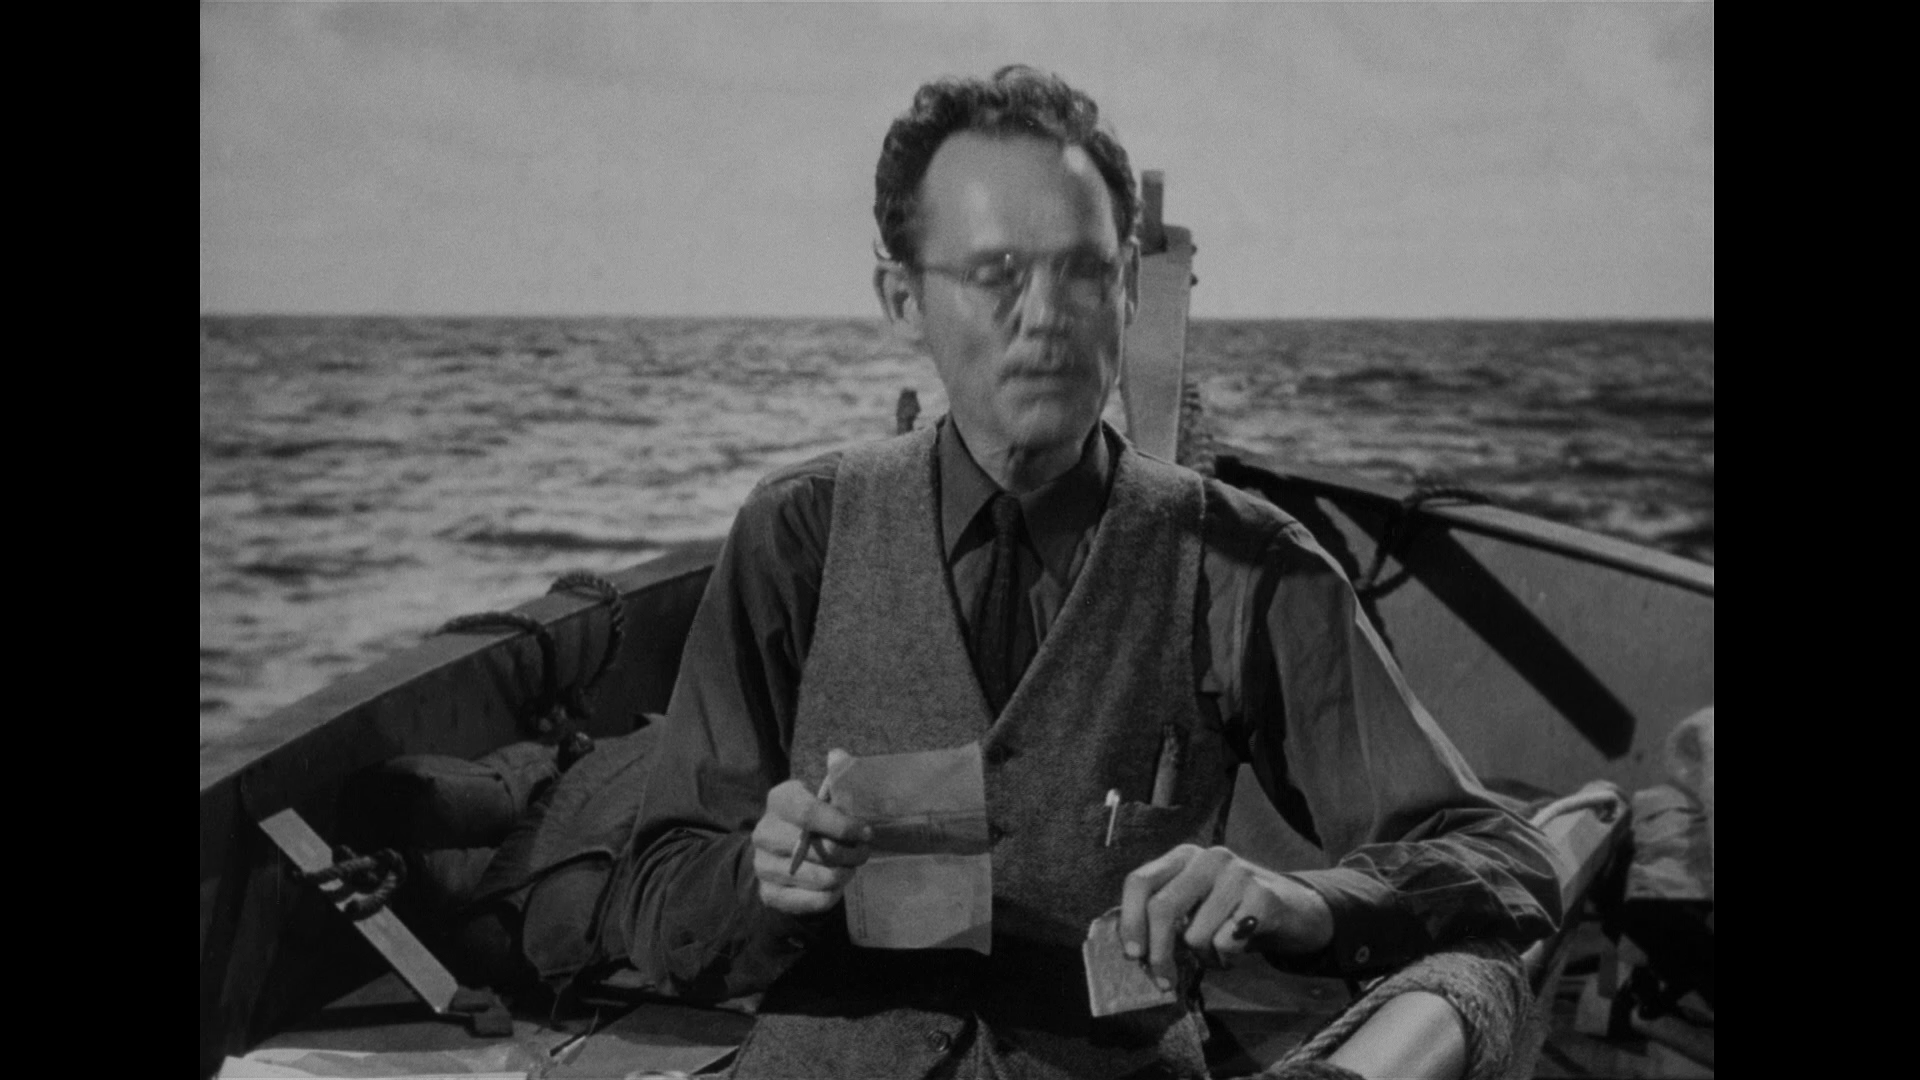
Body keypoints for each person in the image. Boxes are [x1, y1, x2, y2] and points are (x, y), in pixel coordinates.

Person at [502, 66, 1560, 1079]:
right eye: (996, 274)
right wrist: (762, 881)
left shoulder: (1243, 566)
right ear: (902, 299)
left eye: (1085, 271)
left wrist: (1307, 903)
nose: (1048, 314)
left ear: (1129, 292)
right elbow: (658, 898)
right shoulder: (797, 538)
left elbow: (1498, 856)